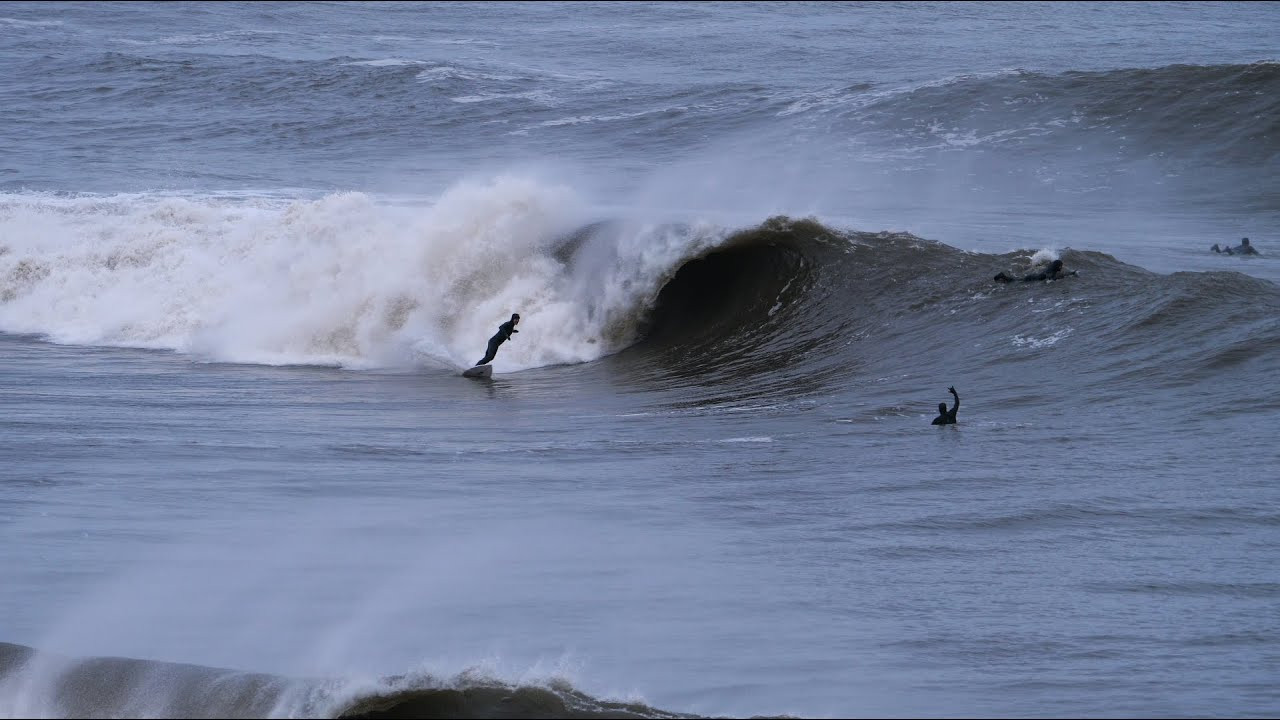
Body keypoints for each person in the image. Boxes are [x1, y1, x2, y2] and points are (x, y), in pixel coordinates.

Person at [994, 258, 1076, 283]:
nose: (1062, 267)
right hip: (1032, 278)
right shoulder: (1051, 272)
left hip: (1033, 276)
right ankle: (1003, 276)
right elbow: (1052, 278)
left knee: (1017, 280)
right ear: (1057, 266)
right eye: (1061, 266)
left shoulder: (1050, 268)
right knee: (1015, 281)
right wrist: (1069, 274)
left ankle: (1004, 278)